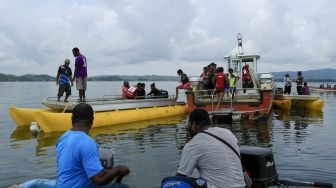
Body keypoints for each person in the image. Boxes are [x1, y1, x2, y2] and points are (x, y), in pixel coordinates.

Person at [56, 103, 130, 187]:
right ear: (92, 120)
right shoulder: (87, 142)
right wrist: (119, 170)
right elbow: (98, 180)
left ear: (72, 119)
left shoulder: (62, 138)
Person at [176, 108, 245, 187]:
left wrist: (187, 138)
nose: (188, 128)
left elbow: (180, 177)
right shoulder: (227, 132)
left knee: (169, 182)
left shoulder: (193, 145)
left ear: (194, 125)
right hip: (241, 185)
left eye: (189, 125)